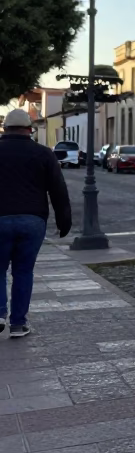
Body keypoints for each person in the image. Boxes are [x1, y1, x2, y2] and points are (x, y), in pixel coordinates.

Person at [0, 109, 72, 338]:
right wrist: (64, 221)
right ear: (29, 129)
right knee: (23, 271)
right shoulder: (43, 154)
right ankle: (18, 324)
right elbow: (58, 189)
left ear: (4, 129)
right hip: (33, 220)